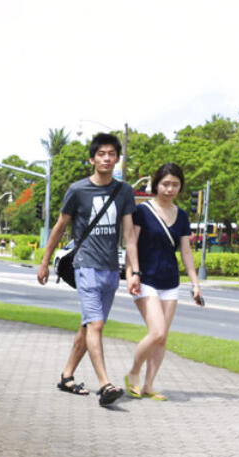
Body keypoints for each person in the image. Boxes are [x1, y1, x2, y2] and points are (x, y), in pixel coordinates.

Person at [37, 133, 138, 406]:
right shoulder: (78, 190)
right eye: (101, 154)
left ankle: (67, 376)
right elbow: (59, 227)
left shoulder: (125, 191)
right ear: (92, 159)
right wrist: (45, 262)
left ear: (117, 158)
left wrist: (134, 271)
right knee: (97, 324)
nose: (106, 158)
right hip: (85, 265)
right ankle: (106, 385)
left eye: (111, 154)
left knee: (88, 326)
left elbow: (129, 234)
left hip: (110, 268)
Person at [123, 162, 203, 400]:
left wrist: (195, 284)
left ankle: (149, 385)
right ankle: (134, 373)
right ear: (156, 184)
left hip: (170, 281)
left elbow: (186, 252)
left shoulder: (182, 216)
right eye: (165, 184)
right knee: (156, 331)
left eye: (175, 185)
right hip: (145, 278)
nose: (169, 189)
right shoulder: (143, 211)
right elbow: (131, 244)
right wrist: (132, 273)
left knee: (162, 337)